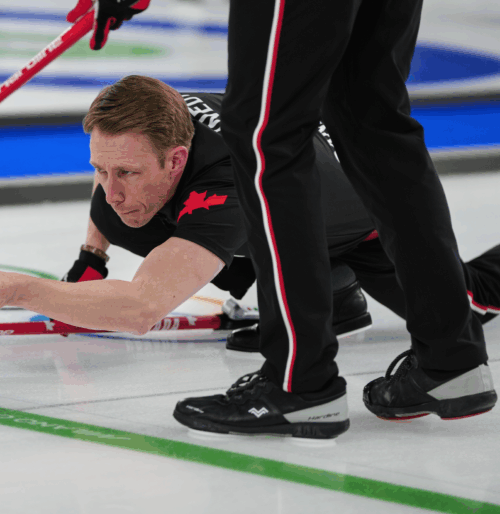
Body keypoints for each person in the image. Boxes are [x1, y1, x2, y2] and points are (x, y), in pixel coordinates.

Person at [0, 76, 499, 437]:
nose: (110, 187)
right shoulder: (158, 119)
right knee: (132, 212)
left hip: (369, 220)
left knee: (465, 301)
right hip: (292, 218)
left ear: (178, 160)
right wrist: (92, 255)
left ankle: (337, 286)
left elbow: (139, 307)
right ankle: (332, 295)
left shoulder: (226, 186)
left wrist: (19, 288)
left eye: (125, 172)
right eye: (99, 170)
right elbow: (117, 175)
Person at [65, 0, 496, 437]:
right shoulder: (165, 136)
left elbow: (141, 305)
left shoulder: (211, 171)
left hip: (359, 228)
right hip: (346, 218)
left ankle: (300, 381)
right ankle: (450, 356)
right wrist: (93, 252)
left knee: (265, 136)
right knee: (370, 118)